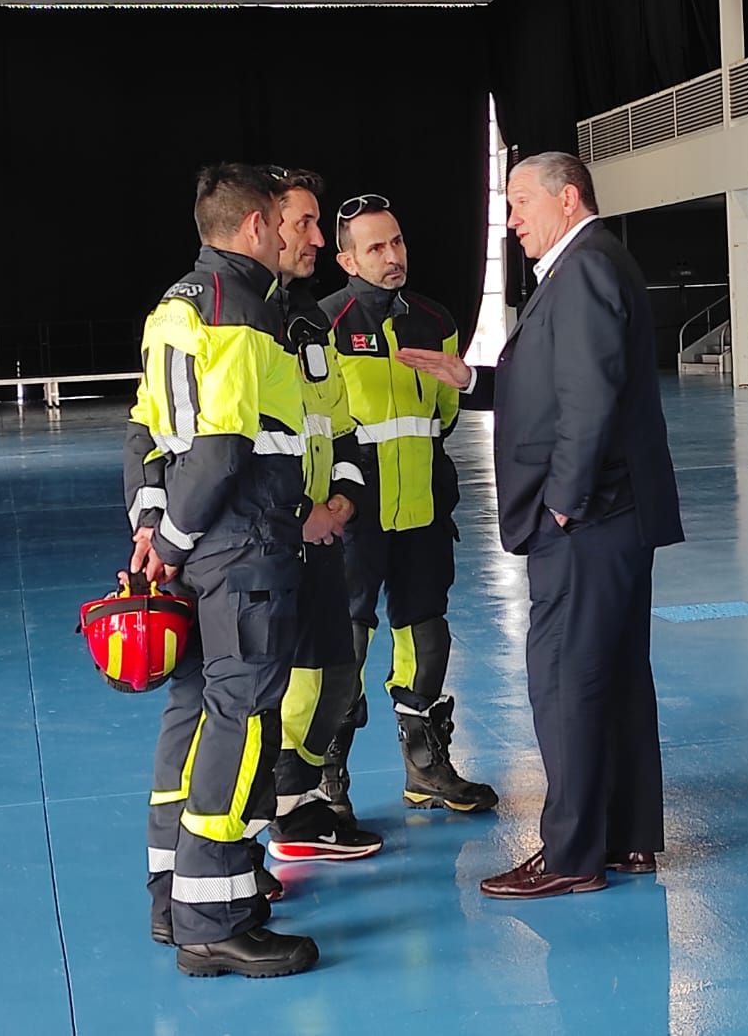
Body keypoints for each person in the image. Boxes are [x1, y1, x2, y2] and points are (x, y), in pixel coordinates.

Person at [396, 152, 683, 900]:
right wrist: (473, 380)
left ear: (568, 196)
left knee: (566, 680)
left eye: (521, 203)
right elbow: (556, 382)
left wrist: (564, 499)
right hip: (613, 515)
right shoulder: (587, 265)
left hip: (588, 519)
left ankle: (571, 854)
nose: (512, 219)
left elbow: (588, 398)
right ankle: (627, 838)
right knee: (614, 676)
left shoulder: (583, 268)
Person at [123, 162, 318, 977]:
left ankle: (172, 893)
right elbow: (223, 448)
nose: (286, 236)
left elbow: (141, 431)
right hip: (242, 545)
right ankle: (215, 914)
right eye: (280, 223)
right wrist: (172, 539)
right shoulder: (241, 313)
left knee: (192, 708)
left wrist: (150, 526)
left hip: (196, 547)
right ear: (250, 228)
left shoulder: (172, 306)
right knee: (241, 721)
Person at [318, 194, 498, 815]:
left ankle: (424, 764)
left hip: (422, 507)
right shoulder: (324, 324)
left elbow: (443, 415)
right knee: (346, 641)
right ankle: (325, 776)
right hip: (354, 516)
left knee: (426, 632)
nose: (392, 257)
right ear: (346, 258)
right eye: (375, 247)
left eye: (397, 242)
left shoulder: (435, 317)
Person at [252, 167, 383, 862]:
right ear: (262, 224)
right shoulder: (238, 320)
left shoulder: (308, 321)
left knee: (337, 675)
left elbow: (341, 425)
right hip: (270, 538)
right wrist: (301, 512)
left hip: (323, 533)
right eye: (303, 222)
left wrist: (343, 498)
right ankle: (267, 814)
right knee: (278, 685)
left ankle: (300, 802)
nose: (314, 235)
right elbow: (239, 442)